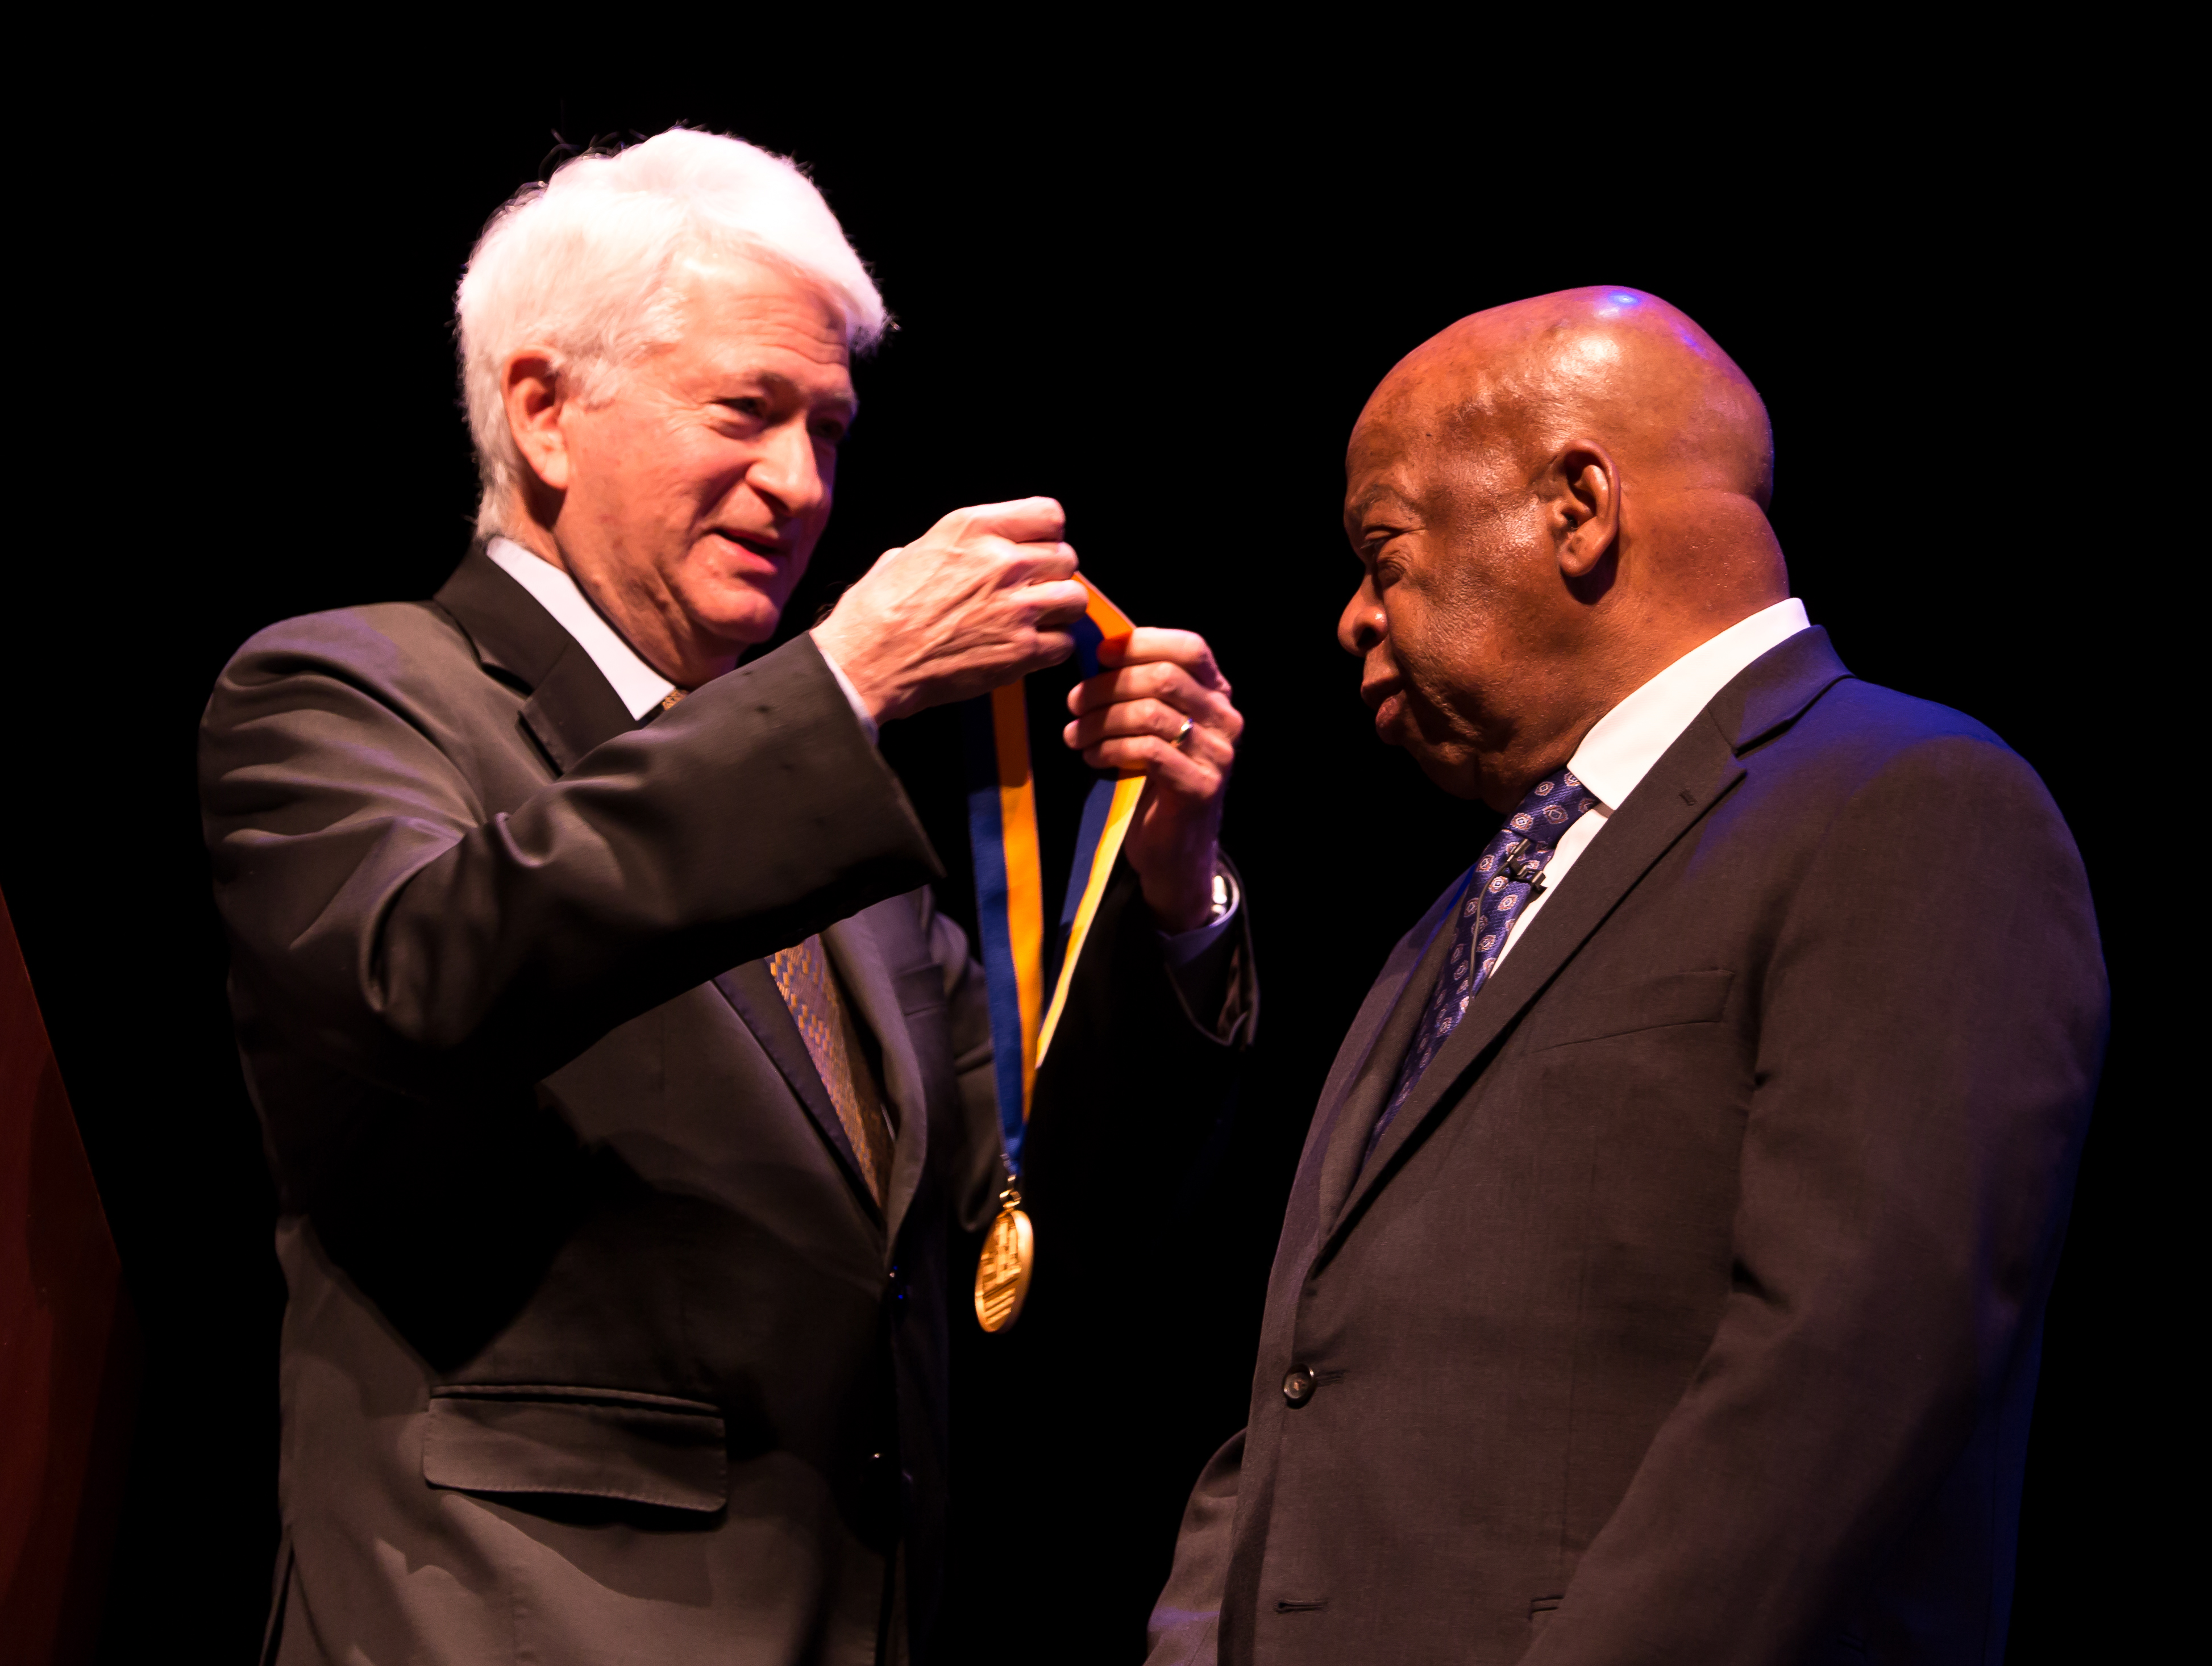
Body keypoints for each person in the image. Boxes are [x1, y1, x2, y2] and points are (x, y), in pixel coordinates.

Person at [199, 128, 1253, 1666]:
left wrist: (1171, 886)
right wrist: (842, 681)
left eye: (828, 427)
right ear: (544, 412)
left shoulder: (828, 829)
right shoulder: (344, 692)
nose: (803, 483)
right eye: (747, 412)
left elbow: (1033, 1222)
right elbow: (421, 974)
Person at [1146, 287, 2103, 1665]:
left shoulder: (1907, 803)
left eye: (1382, 550)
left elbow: (1841, 1372)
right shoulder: (1460, 918)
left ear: (1575, 505)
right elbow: (1306, 1381)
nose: (1350, 617)